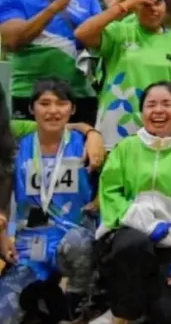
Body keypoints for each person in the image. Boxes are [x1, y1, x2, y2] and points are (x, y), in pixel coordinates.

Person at [96, 82, 171, 324]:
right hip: (128, 239)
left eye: (167, 104)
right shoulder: (124, 149)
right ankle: (123, 313)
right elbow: (110, 196)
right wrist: (146, 223)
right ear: (142, 112)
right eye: (151, 105)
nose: (159, 110)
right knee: (134, 244)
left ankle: (148, 306)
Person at [0, 80, 100, 324]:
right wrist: (2, 234)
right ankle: (46, 299)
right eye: (44, 103)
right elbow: (2, 200)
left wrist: (91, 132)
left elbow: (108, 193)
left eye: (61, 103)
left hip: (76, 242)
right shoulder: (17, 148)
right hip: (31, 247)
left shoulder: (87, 147)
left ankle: (80, 299)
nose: (52, 111)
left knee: (79, 244)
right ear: (32, 109)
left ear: (72, 109)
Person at [75, 0, 171, 149]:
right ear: (135, 8)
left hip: (160, 124)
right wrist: (124, 6)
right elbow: (82, 33)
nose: (153, 9)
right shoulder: (120, 32)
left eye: (158, 3)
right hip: (117, 124)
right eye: (145, 4)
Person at [0, 0, 103, 124]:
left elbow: (102, 43)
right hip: (31, 96)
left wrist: (116, 9)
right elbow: (11, 41)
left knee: (79, 153)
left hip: (80, 96)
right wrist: (55, 7)